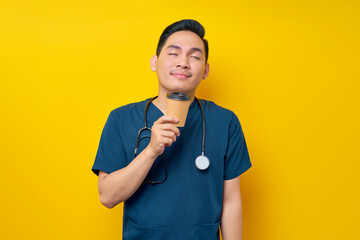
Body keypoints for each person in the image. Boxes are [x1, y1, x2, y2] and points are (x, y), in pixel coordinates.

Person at [92, 19, 252, 240]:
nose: (183, 63)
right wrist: (150, 151)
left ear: (205, 70)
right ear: (155, 62)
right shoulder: (121, 119)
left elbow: (230, 200)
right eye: (174, 53)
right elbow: (107, 196)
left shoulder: (225, 122)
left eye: (195, 56)